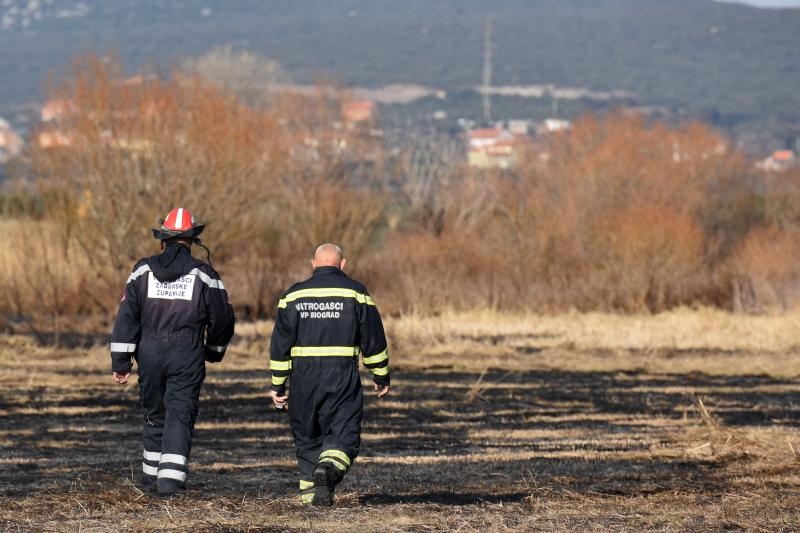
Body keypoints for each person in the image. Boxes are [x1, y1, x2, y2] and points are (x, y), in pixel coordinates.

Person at [110, 207, 235, 497]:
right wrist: (213, 351)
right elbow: (223, 318)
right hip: (186, 351)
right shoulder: (205, 276)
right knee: (179, 414)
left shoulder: (141, 271)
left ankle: (149, 480)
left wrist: (121, 361)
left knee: (155, 413)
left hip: (149, 352)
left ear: (162, 239)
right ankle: (169, 484)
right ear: (192, 240)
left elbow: (126, 316)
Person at [269, 243, 391, 506]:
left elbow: (280, 345)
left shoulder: (292, 296)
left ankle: (310, 503)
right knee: (343, 433)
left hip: (303, 379)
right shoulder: (356, 293)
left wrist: (278, 385)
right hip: (341, 375)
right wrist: (381, 375)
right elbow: (372, 339)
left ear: (313, 263)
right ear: (342, 264)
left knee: (307, 438)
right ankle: (328, 471)